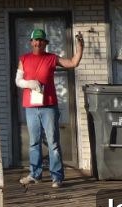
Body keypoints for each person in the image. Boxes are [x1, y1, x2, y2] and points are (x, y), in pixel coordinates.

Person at [15, 28, 84, 188]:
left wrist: (80, 47)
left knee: (53, 142)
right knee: (34, 142)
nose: (38, 43)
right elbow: (17, 80)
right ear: (31, 42)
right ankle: (35, 174)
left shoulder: (52, 58)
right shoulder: (24, 59)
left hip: (49, 107)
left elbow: (73, 63)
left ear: (45, 43)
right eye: (35, 40)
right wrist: (28, 83)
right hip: (31, 107)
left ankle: (57, 176)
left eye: (41, 40)